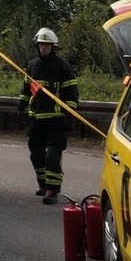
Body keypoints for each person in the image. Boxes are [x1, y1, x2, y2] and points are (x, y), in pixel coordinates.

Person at [17, 27, 79, 205]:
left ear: (53, 46)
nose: (43, 48)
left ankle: (52, 191)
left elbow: (71, 93)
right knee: (36, 154)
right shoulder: (32, 65)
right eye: (41, 45)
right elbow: (26, 90)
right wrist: (21, 107)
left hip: (55, 120)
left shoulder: (63, 67)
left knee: (52, 155)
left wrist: (69, 115)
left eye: (46, 45)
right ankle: (43, 184)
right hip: (36, 119)